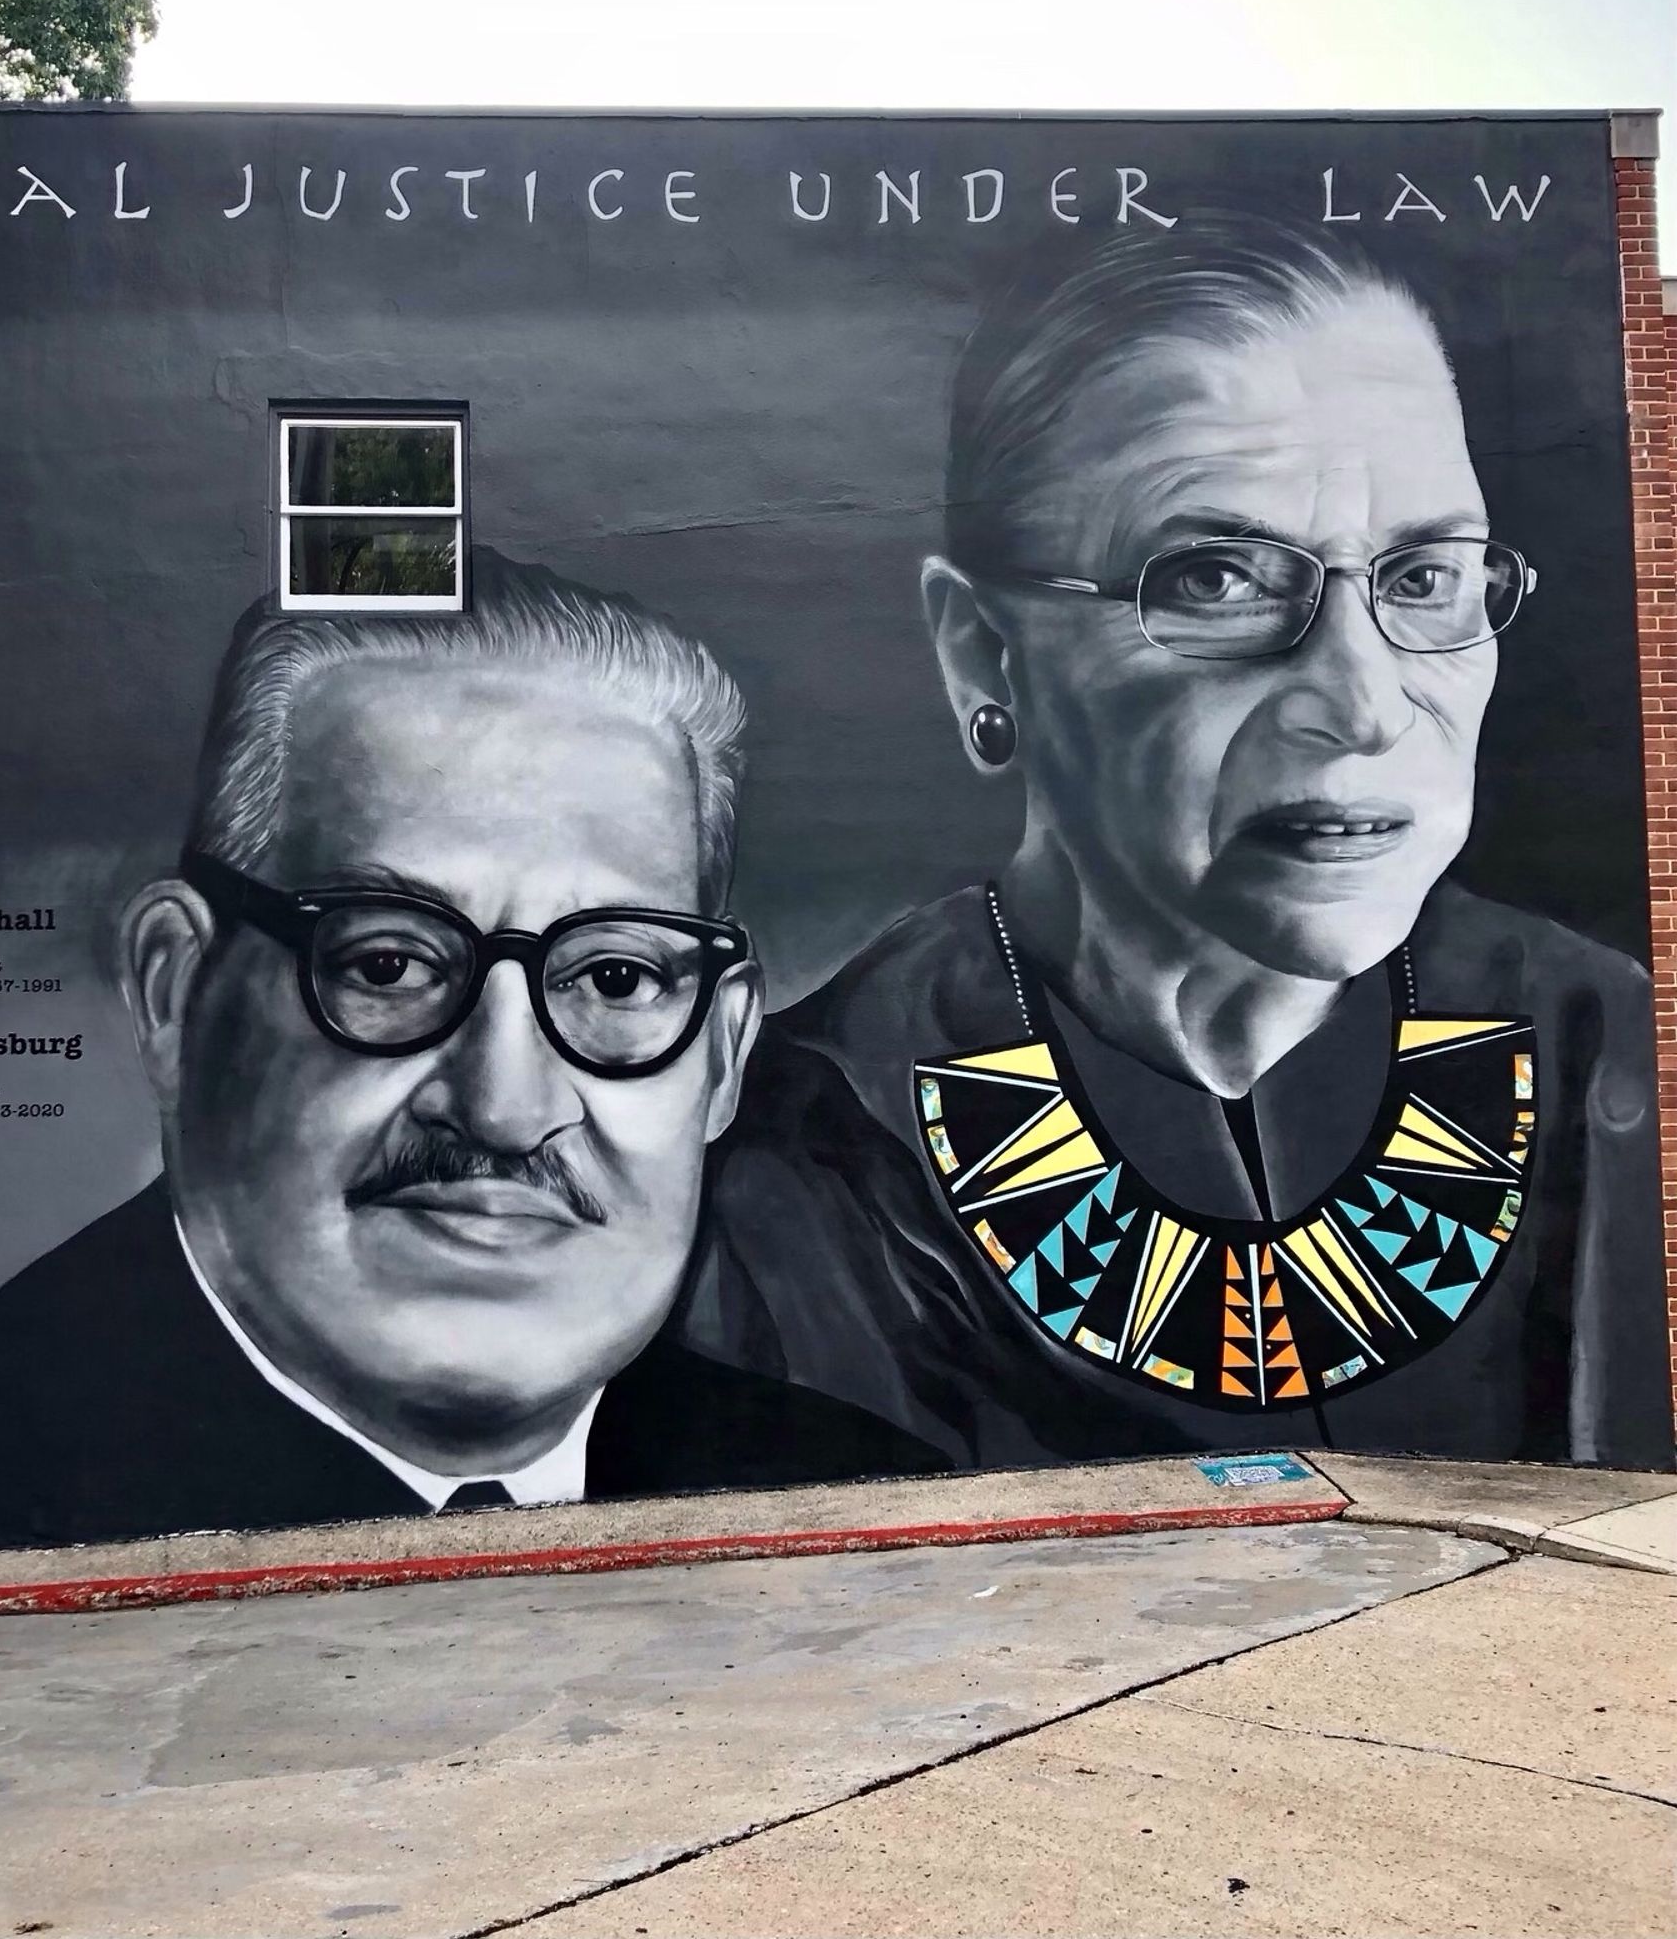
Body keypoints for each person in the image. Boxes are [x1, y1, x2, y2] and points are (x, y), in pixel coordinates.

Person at [0, 550, 942, 1563]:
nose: (505, 1105)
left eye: (614, 978)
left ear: (722, 1057)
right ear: (175, 990)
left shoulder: (855, 1506)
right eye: (390, 963)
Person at [682, 219, 1674, 1472]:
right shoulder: (818, 1138)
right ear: (982, 655)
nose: (1362, 705)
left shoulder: (1601, 1045)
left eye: (1423, 578)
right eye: (1214, 579)